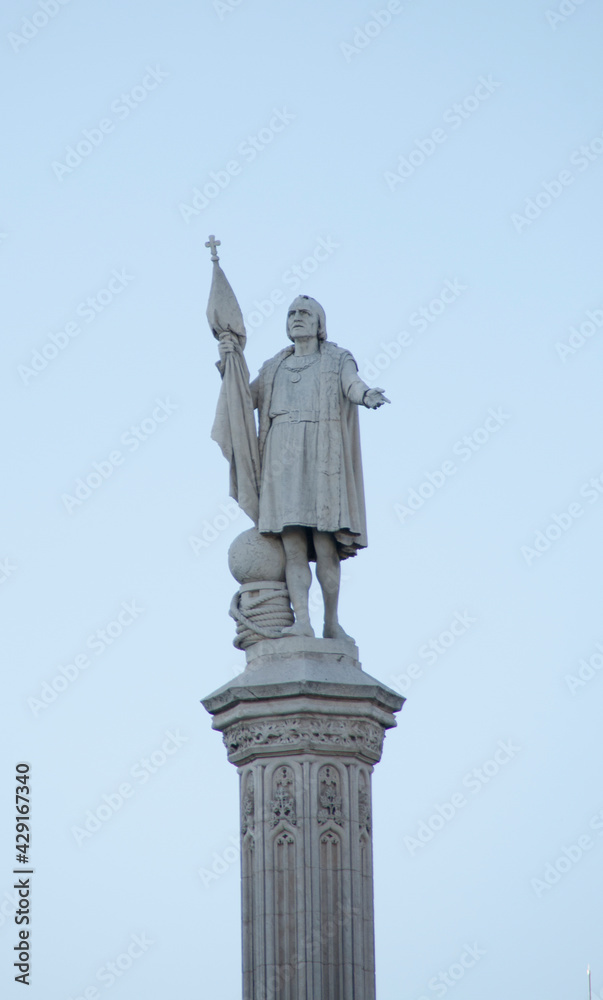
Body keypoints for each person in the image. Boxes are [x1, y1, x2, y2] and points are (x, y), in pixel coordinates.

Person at [218, 294, 389, 640]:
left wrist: (366, 394)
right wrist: (229, 363)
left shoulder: (338, 359)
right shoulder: (273, 367)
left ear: (319, 324)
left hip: (322, 457)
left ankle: (331, 622)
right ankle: (303, 623)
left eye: (305, 313)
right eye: (292, 313)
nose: (297, 317)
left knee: (325, 545)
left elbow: (352, 384)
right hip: (281, 457)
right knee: (293, 546)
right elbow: (244, 399)